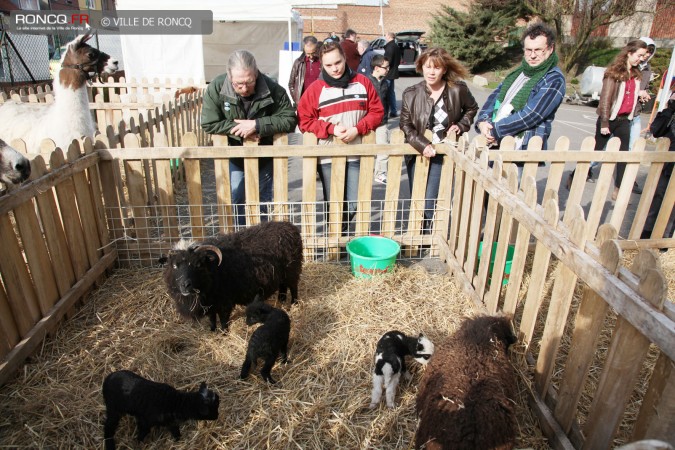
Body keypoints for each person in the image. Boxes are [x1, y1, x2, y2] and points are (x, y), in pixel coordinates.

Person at [201, 50, 297, 226]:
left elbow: (290, 119)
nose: (244, 89)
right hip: (235, 154)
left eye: (249, 82)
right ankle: (240, 236)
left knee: (262, 199)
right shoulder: (217, 87)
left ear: (256, 73)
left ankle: (260, 238)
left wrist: (257, 125)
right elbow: (208, 122)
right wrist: (238, 128)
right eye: (238, 84)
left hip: (265, 154)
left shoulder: (273, 89)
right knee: (237, 197)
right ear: (229, 76)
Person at [297, 40, 384, 231]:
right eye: (329, 65)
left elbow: (377, 112)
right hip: (328, 156)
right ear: (322, 65)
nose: (335, 68)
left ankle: (339, 236)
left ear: (344, 58)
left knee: (353, 203)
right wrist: (330, 128)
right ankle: (336, 245)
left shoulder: (363, 83)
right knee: (334, 203)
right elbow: (304, 120)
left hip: (357, 153)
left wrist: (358, 128)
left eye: (338, 62)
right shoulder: (315, 90)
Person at [400, 47, 478, 233]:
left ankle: (425, 236)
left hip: (441, 154)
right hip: (417, 153)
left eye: (436, 67)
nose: (431, 72)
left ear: (444, 69)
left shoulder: (457, 90)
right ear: (421, 67)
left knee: (429, 198)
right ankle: (417, 233)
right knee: (416, 196)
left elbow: (471, 109)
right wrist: (422, 144)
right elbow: (405, 124)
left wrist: (460, 125)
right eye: (427, 67)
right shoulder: (411, 93)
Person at [475, 22, 565, 160]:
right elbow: (495, 97)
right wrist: (483, 122)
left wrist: (495, 130)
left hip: (521, 149)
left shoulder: (554, 79)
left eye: (538, 50)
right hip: (495, 143)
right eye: (528, 50)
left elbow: (531, 115)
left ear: (550, 48)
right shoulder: (519, 72)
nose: (532, 55)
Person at [589, 39, 648, 200]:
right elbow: (606, 99)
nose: (641, 58)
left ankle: (618, 188)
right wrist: (605, 122)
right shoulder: (614, 73)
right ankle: (576, 176)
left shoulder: (636, 74)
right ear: (629, 53)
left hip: (624, 120)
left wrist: (640, 95)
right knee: (596, 151)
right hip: (610, 118)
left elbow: (629, 95)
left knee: (624, 155)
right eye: (639, 55)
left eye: (643, 56)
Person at [642, 87, 675, 242]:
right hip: (667, 161)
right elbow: (656, 130)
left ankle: (664, 238)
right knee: (658, 195)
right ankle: (647, 233)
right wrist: (671, 108)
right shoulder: (671, 112)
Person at [367, 54, 391, 184]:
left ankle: (380, 173)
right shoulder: (366, 82)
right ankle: (366, 169)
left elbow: (386, 101)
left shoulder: (386, 83)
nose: (388, 69)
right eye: (385, 67)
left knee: (383, 147)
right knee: (368, 147)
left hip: (382, 121)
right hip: (369, 121)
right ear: (377, 68)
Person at [288, 36, 321, 106]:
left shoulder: (322, 62)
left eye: (313, 52)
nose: (311, 56)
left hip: (319, 101)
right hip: (303, 103)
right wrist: (297, 99)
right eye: (308, 54)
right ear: (304, 50)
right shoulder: (298, 63)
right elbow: (291, 84)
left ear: (317, 48)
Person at [384, 32, 402, 119]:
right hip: (393, 72)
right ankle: (393, 111)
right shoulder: (396, 46)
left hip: (388, 73)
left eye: (386, 35)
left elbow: (388, 61)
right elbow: (399, 60)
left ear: (389, 36)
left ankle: (388, 112)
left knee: (386, 92)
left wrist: (385, 69)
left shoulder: (390, 47)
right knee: (391, 92)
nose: (385, 37)